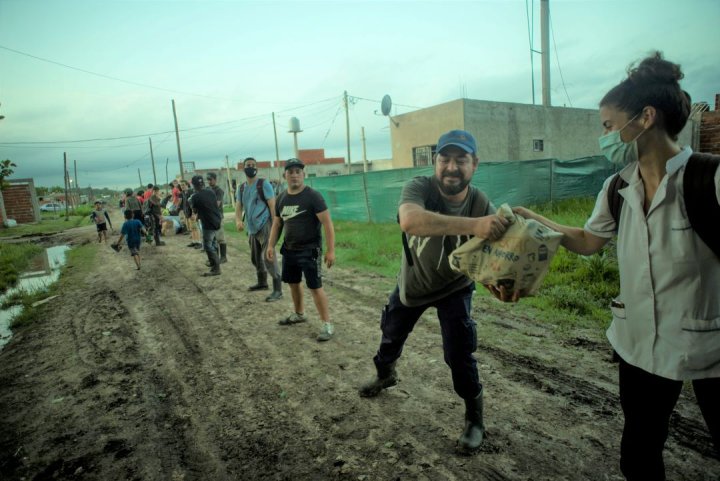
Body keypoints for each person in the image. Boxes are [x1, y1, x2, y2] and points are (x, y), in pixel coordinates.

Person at [513, 52, 719, 480]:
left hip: (710, 344)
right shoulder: (616, 186)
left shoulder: (708, 179)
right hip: (638, 341)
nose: (604, 137)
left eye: (608, 126)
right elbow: (589, 242)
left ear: (645, 117)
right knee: (640, 454)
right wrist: (537, 221)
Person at [358, 129, 516, 454]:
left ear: (475, 164)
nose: (452, 167)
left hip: (455, 287)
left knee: (459, 353)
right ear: (436, 161)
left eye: (461, 160)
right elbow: (410, 221)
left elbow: (485, 258)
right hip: (413, 283)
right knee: (390, 334)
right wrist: (473, 225)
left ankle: (475, 418)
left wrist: (496, 283)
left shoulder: (479, 203)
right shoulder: (419, 187)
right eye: (445, 159)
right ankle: (385, 374)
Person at [266, 158, 336, 342]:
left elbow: (327, 224)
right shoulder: (281, 198)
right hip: (289, 250)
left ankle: (327, 324)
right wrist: (271, 245)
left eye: (298, 171)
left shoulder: (313, 196)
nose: (295, 175)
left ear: (303, 175)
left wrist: (330, 251)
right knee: (293, 283)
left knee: (315, 286)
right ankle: (299, 313)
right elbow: (277, 223)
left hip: (310, 250)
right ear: (285, 176)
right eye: (291, 172)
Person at [236, 157, 282, 301]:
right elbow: (238, 206)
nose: (251, 167)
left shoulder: (264, 184)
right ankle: (262, 283)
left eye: (253, 165)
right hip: (251, 228)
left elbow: (272, 205)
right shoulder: (242, 188)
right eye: (248, 165)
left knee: (268, 257)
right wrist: (238, 220)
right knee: (255, 258)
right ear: (244, 168)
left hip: (265, 225)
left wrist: (275, 224)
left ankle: (278, 289)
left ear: (257, 167)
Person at [189, 175, 223, 276]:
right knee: (213, 243)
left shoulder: (195, 196)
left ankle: (216, 268)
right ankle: (213, 264)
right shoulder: (211, 192)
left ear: (194, 185)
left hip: (207, 222)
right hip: (217, 220)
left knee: (208, 245)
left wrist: (192, 203)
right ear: (202, 183)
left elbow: (194, 210)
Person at [206, 172, 228, 263]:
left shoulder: (219, 190)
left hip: (218, 217)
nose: (209, 181)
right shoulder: (207, 190)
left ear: (215, 179)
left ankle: (223, 257)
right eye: (208, 180)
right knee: (213, 238)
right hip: (210, 217)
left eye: (210, 179)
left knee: (220, 237)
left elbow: (217, 204)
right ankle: (216, 257)